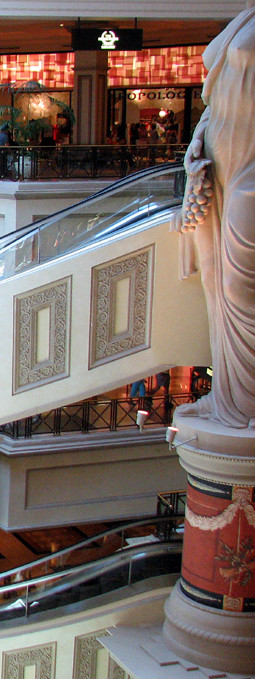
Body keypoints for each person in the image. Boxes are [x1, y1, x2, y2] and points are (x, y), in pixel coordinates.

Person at [174, 1, 255, 429]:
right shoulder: (245, 17)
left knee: (241, 285)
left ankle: (246, 405)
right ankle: (227, 396)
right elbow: (215, 98)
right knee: (213, 280)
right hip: (217, 159)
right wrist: (199, 135)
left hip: (249, 165)